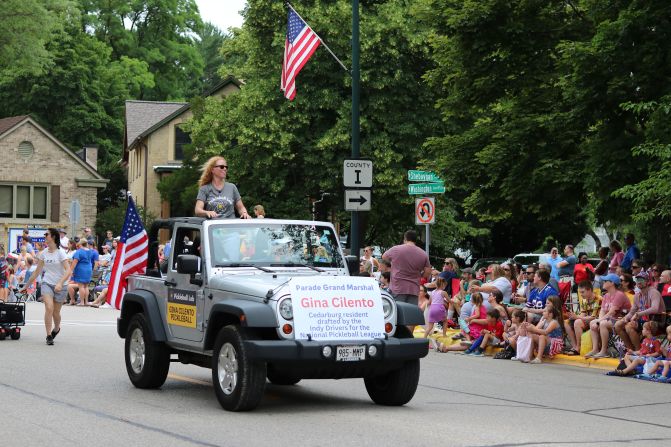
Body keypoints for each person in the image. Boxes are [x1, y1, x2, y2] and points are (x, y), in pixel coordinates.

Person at [21, 228, 71, 345]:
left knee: (56, 313)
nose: (44, 236)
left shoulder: (61, 252)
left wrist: (59, 283)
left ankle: (56, 328)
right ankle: (49, 335)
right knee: (49, 307)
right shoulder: (43, 253)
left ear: (53, 237)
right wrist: (26, 286)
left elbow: (68, 271)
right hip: (47, 283)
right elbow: (37, 272)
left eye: (46, 234)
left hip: (61, 285)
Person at [614, 271, 665, 351]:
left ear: (648, 282)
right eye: (638, 280)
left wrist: (638, 314)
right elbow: (632, 312)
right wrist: (625, 319)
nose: (639, 282)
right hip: (644, 320)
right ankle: (631, 349)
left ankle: (639, 351)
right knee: (618, 325)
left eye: (642, 280)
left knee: (630, 326)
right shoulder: (637, 295)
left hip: (657, 320)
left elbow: (655, 308)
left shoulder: (653, 292)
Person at [585, 273, 631, 359]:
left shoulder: (619, 295)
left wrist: (599, 321)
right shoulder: (606, 295)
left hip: (622, 320)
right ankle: (595, 349)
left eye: (606, 281)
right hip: (611, 320)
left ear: (612, 283)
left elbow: (612, 313)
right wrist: (599, 320)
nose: (603, 282)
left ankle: (604, 351)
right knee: (593, 322)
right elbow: (602, 311)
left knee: (602, 324)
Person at [381, 230, 431, 306]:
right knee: (410, 314)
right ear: (415, 240)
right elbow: (427, 272)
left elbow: (384, 257)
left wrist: (394, 262)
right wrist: (419, 275)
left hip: (398, 288)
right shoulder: (423, 254)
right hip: (414, 289)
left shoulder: (396, 249)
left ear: (405, 239)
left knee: (398, 313)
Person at [565, 281, 601, 355]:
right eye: (580, 292)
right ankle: (576, 346)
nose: (581, 294)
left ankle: (579, 347)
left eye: (582, 292)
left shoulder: (598, 299)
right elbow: (583, 314)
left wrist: (577, 317)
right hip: (588, 321)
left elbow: (592, 317)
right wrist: (573, 316)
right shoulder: (584, 300)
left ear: (590, 290)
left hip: (597, 321)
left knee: (577, 322)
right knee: (569, 323)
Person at [67, 239, 95, 306]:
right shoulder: (90, 251)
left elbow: (75, 262)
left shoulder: (79, 252)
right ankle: (86, 302)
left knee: (81, 286)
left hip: (81, 269)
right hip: (88, 268)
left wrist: (71, 270)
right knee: (86, 286)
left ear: (80, 244)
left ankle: (82, 302)